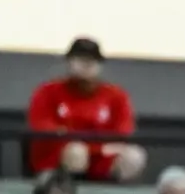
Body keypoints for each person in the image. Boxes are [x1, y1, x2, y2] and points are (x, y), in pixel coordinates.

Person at [25, 37, 144, 182]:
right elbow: (42, 127)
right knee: (76, 151)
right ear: (68, 62)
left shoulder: (117, 96)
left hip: (102, 158)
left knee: (134, 156)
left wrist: (93, 148)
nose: (86, 64)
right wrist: (90, 146)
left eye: (92, 60)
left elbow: (123, 132)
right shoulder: (47, 91)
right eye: (80, 58)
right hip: (57, 159)